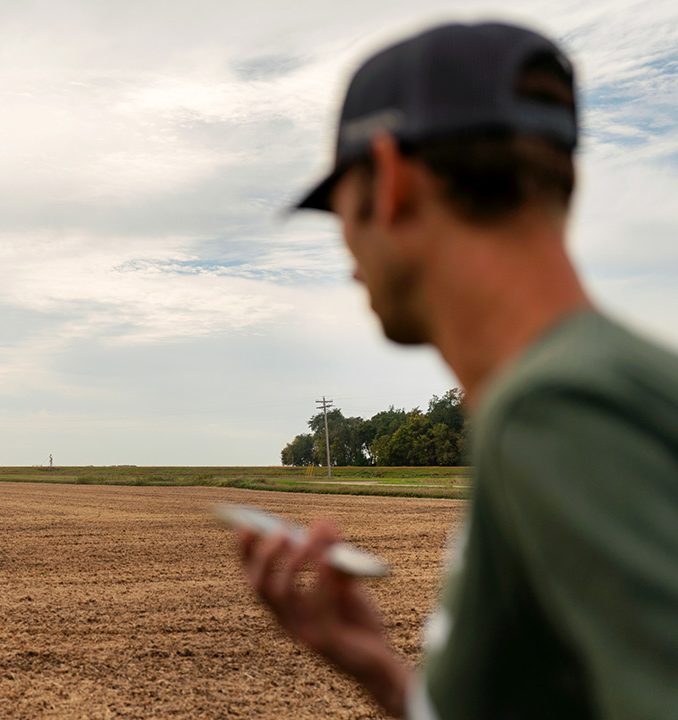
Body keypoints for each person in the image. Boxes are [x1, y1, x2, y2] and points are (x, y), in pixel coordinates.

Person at [238, 21, 678, 719]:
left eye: (339, 205)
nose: (346, 241)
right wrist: (388, 676)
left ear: (389, 180)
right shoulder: (599, 389)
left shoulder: (559, 411)